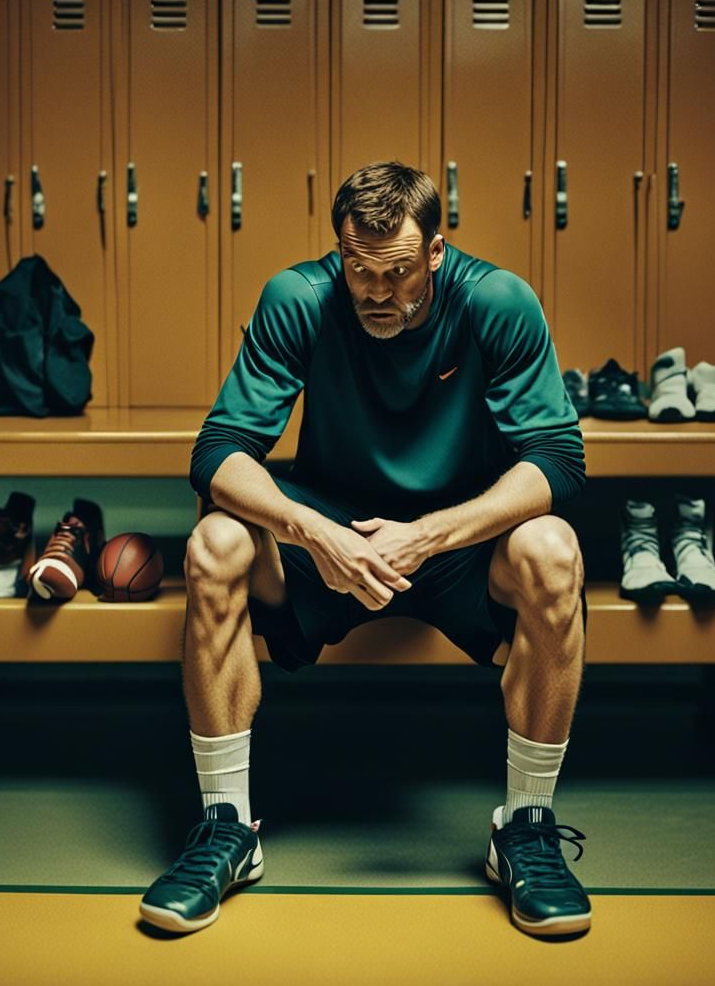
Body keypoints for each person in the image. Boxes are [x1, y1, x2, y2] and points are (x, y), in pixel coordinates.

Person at [139, 162, 590, 938]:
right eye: (360, 269)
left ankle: (526, 828)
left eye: (399, 273)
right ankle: (227, 830)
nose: (378, 292)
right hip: (330, 538)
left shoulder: (495, 301)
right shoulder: (301, 298)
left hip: (455, 541)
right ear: (339, 250)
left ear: (437, 252)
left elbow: (557, 460)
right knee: (215, 542)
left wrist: (432, 532)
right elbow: (218, 453)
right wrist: (312, 531)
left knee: (553, 549)